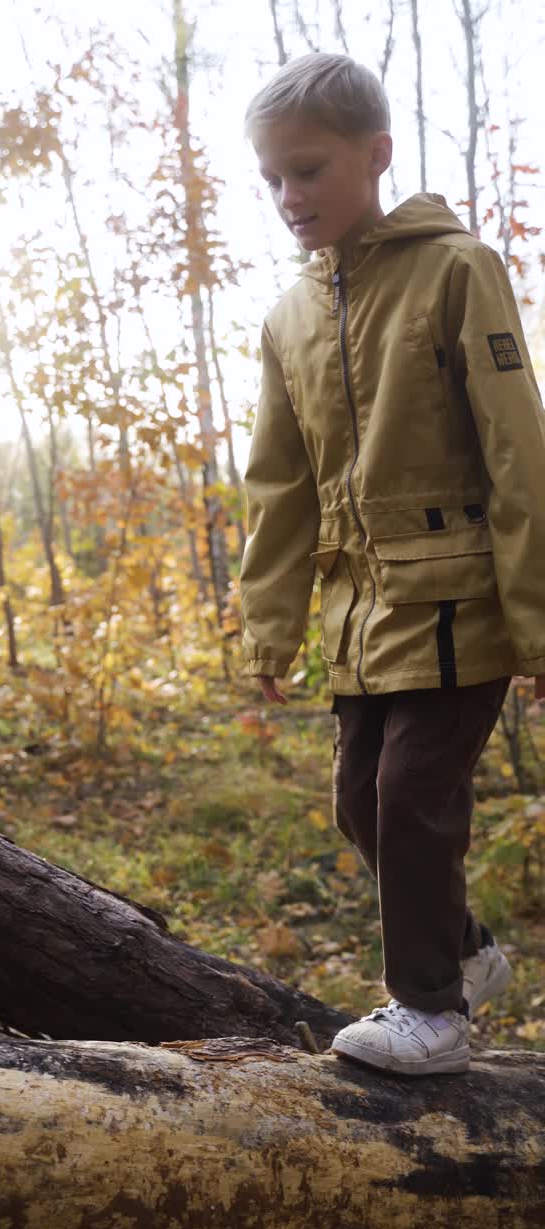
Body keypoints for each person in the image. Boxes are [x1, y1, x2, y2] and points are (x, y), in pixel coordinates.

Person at [239, 51, 545, 1076]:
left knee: (413, 791)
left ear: (375, 155)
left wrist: (539, 621)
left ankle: (431, 1011)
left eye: (310, 169)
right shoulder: (288, 317)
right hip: (358, 613)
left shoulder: (456, 268)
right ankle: (462, 951)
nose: (289, 196)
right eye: (274, 176)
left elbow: (516, 450)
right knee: (358, 802)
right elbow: (278, 485)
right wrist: (272, 622)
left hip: (464, 600)